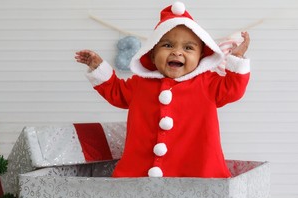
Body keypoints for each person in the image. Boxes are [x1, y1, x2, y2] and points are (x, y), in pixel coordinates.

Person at [75, 1, 250, 178]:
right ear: (152, 53)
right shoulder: (140, 83)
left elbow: (233, 89)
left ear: (200, 57)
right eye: (167, 45)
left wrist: (237, 59)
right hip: (141, 169)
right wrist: (97, 66)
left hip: (196, 169)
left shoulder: (207, 83)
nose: (177, 52)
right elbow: (116, 92)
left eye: (188, 48)